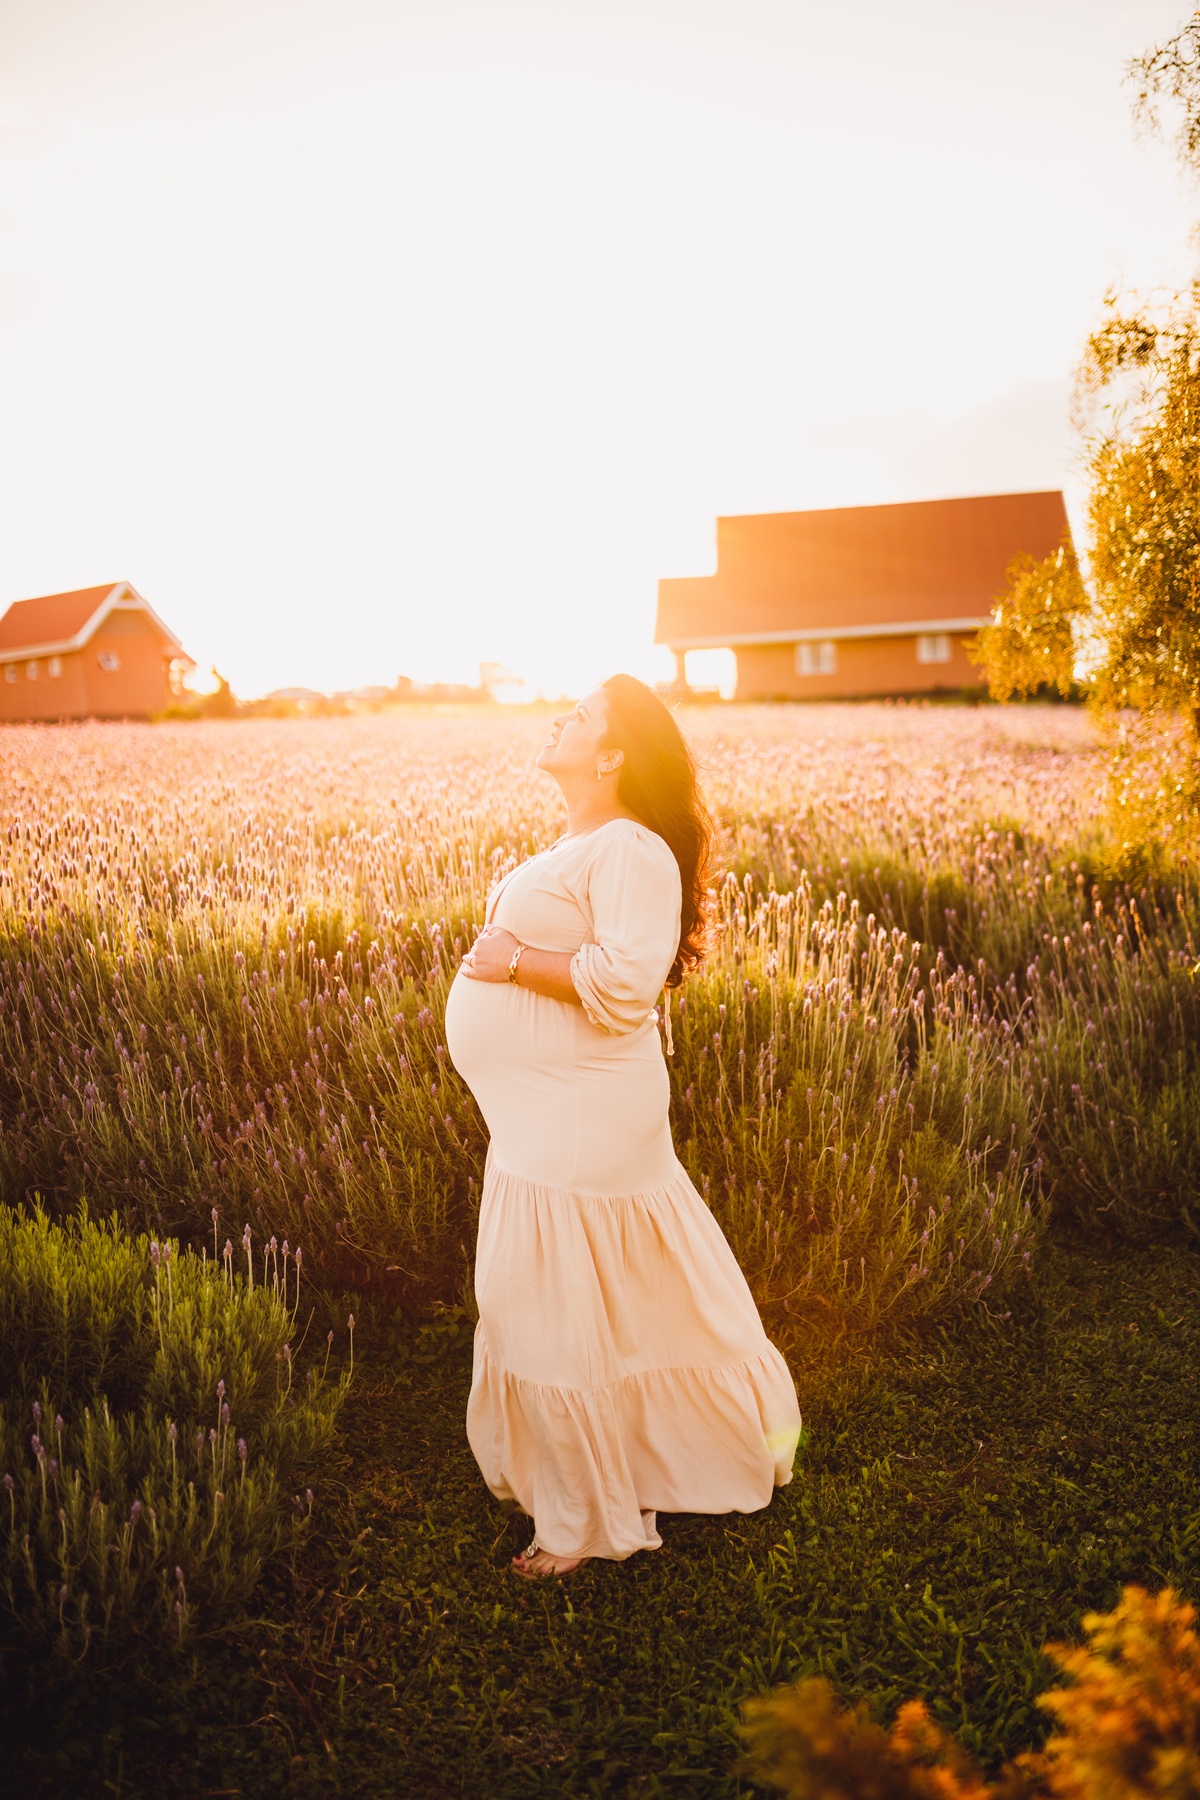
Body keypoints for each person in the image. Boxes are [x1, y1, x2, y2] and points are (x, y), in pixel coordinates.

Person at [444, 674, 801, 1578]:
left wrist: (513, 959)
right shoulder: (580, 843)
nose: (559, 718)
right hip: (546, 1113)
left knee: (541, 1301)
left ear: (611, 757)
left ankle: (588, 1520)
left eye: (580, 715)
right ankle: (626, 1469)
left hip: (583, 1113)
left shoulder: (632, 847)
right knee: (590, 1298)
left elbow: (623, 983)